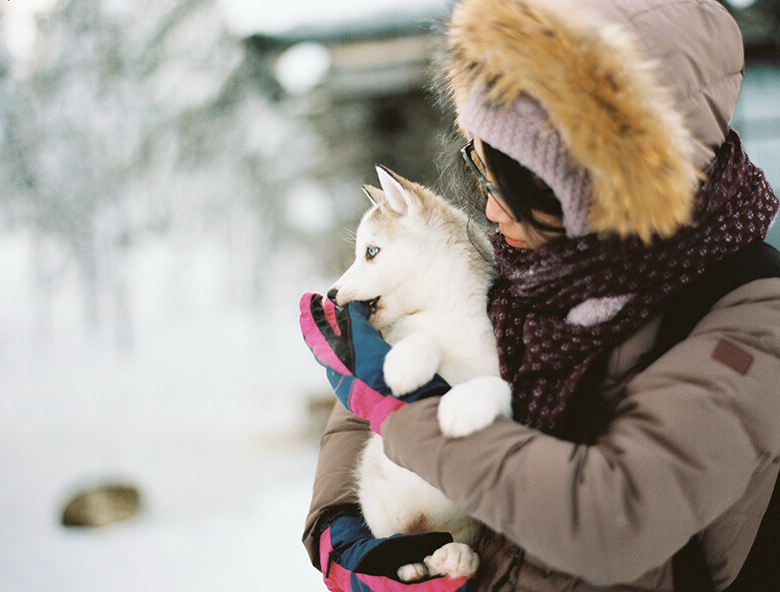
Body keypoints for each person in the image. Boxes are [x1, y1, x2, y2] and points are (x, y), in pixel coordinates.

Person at [300, 0, 780, 590]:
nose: (492, 208)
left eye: (521, 184)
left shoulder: (750, 318)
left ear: (600, 186)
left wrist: (406, 417)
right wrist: (340, 526)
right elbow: (382, 384)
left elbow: (611, 521)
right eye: (480, 167)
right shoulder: (528, 265)